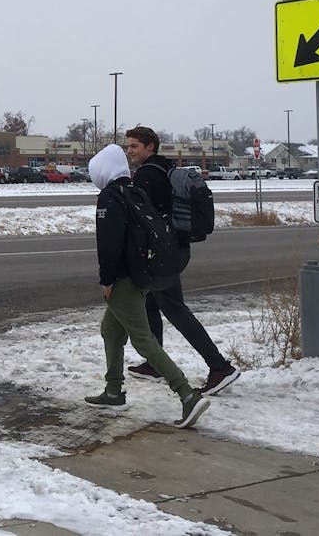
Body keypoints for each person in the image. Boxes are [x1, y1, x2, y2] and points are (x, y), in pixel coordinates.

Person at [84, 143, 210, 429]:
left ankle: (187, 394)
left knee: (143, 340)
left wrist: (107, 280)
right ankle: (113, 390)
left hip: (124, 279)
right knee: (110, 330)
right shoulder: (135, 192)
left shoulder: (110, 197)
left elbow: (109, 244)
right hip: (143, 274)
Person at [123, 126, 239, 396]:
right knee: (150, 302)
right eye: (128, 147)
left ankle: (219, 367)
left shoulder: (147, 176)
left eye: (134, 146)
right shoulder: (165, 169)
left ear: (150, 146)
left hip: (164, 254)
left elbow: (143, 220)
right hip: (176, 247)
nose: (129, 151)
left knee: (175, 310)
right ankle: (155, 363)